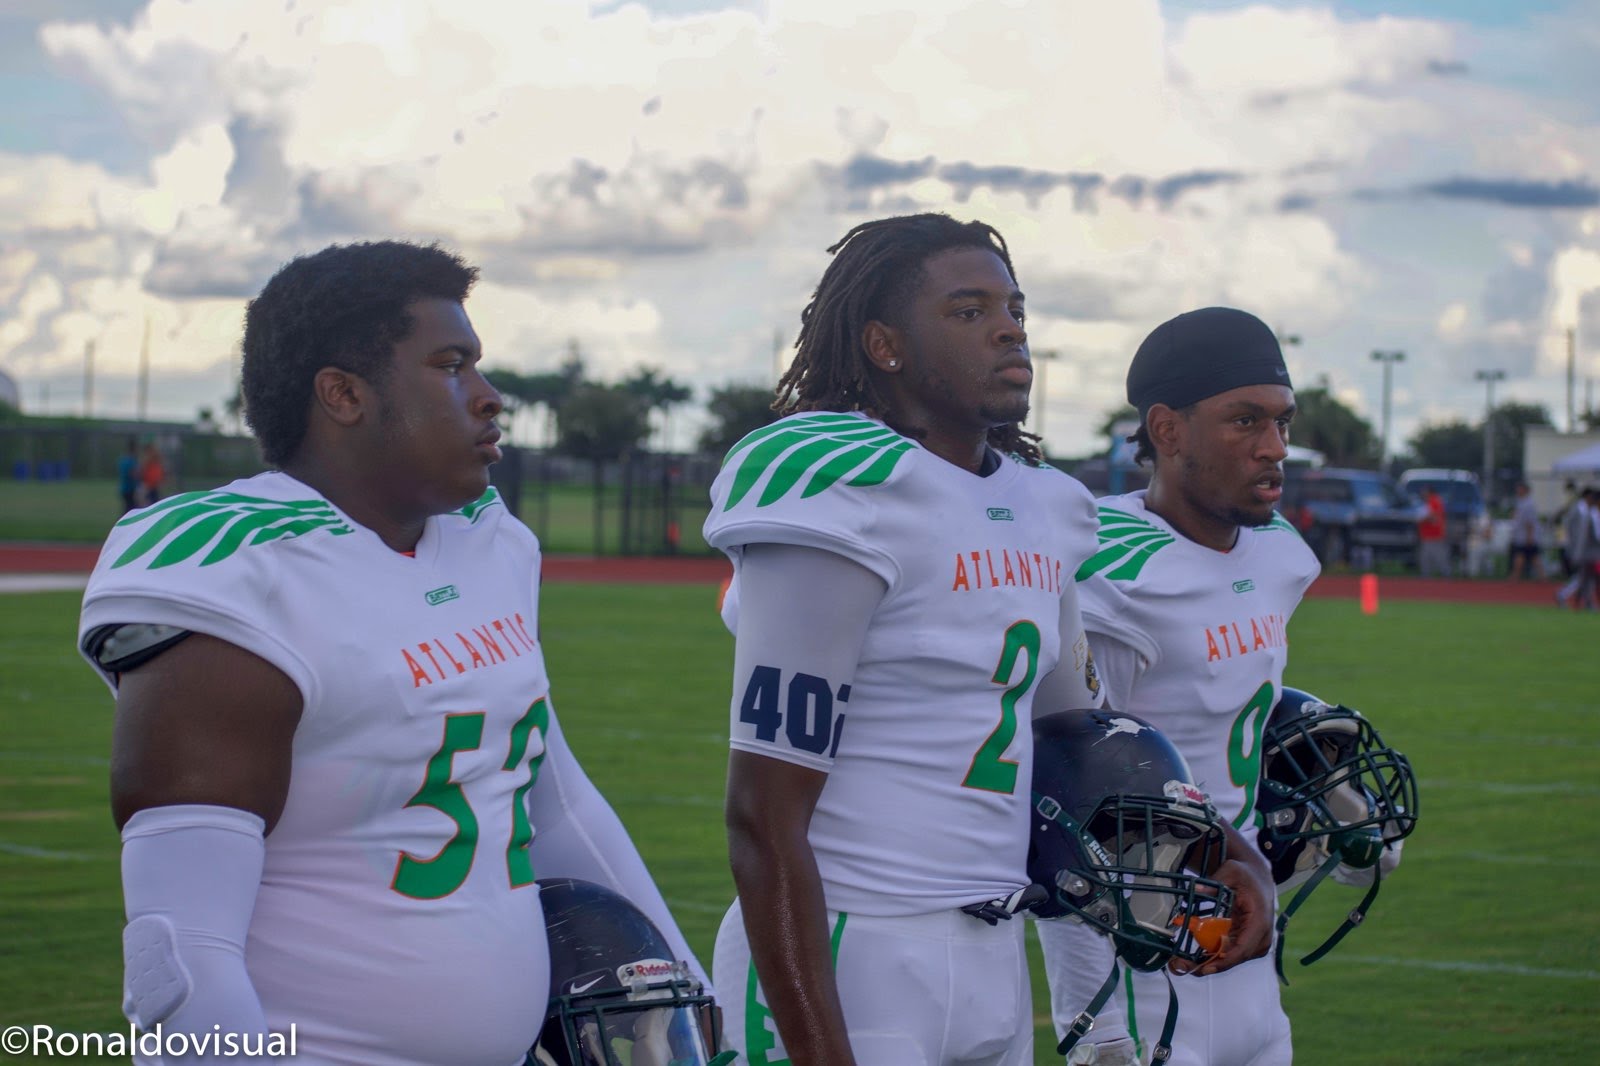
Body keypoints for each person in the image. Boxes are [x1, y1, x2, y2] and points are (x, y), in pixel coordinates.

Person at [77, 241, 711, 1065]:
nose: (489, 399)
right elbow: (182, 951)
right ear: (343, 394)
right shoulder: (243, 573)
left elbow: (553, 805)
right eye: (451, 366)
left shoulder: (491, 544)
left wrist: (694, 984)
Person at [703, 212, 1105, 1066]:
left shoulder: (1051, 506)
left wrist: (1222, 853)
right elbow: (762, 817)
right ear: (884, 345)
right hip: (853, 947)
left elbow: (1077, 739)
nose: (1007, 328)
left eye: (1014, 308)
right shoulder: (843, 484)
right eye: (967, 311)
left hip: (997, 948)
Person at [1037, 307, 1317, 1066]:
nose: (1273, 448)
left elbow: (1229, 701)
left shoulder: (1282, 554)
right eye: (1245, 421)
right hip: (1148, 955)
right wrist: (1094, 1026)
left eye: (1282, 422)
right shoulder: (1109, 572)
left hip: (1251, 930)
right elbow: (1071, 803)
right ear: (1166, 429)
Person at [1507, 482, 1543, 580]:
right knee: (1526, 556)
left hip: (1526, 535)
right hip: (1521, 535)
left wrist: (1529, 536)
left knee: (1529, 556)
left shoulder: (1528, 504)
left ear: (1525, 490)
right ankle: (1517, 575)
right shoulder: (1521, 502)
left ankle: (1541, 576)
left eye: (1520, 489)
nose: (1517, 491)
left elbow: (1529, 522)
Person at [1417, 486, 1449, 577]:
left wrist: (1420, 519)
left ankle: (1445, 574)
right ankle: (1426, 575)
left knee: (1438, 556)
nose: (1422, 493)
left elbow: (1433, 518)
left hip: (1434, 535)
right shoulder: (1429, 502)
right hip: (1429, 534)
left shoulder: (1434, 501)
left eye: (1424, 491)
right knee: (1426, 557)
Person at [137, 441, 165, 505]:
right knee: (145, 503)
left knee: (155, 503)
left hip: (155, 486)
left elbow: (161, 472)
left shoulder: (156, 461)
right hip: (147, 486)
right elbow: (141, 473)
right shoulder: (145, 460)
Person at [116, 437, 139, 512]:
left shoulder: (123, 459)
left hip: (123, 488)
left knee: (128, 507)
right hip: (129, 488)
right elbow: (132, 474)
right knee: (130, 509)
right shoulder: (131, 460)